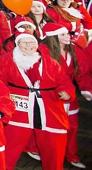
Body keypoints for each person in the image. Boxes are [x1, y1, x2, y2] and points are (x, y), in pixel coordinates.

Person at [0, 31, 72, 170]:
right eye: (23, 42)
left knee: (53, 147)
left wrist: (65, 92)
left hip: (48, 108)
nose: (28, 46)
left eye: (31, 42)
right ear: (17, 44)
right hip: (18, 109)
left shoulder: (49, 62)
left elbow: (63, 81)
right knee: (9, 146)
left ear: (36, 44)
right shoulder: (6, 60)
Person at [40, 23, 92, 168]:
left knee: (72, 127)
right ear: (53, 37)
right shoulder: (44, 52)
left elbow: (83, 72)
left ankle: (71, 155)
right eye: (63, 34)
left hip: (70, 97)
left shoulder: (74, 50)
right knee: (52, 132)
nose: (68, 36)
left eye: (67, 34)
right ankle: (51, 158)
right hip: (51, 97)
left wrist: (86, 89)